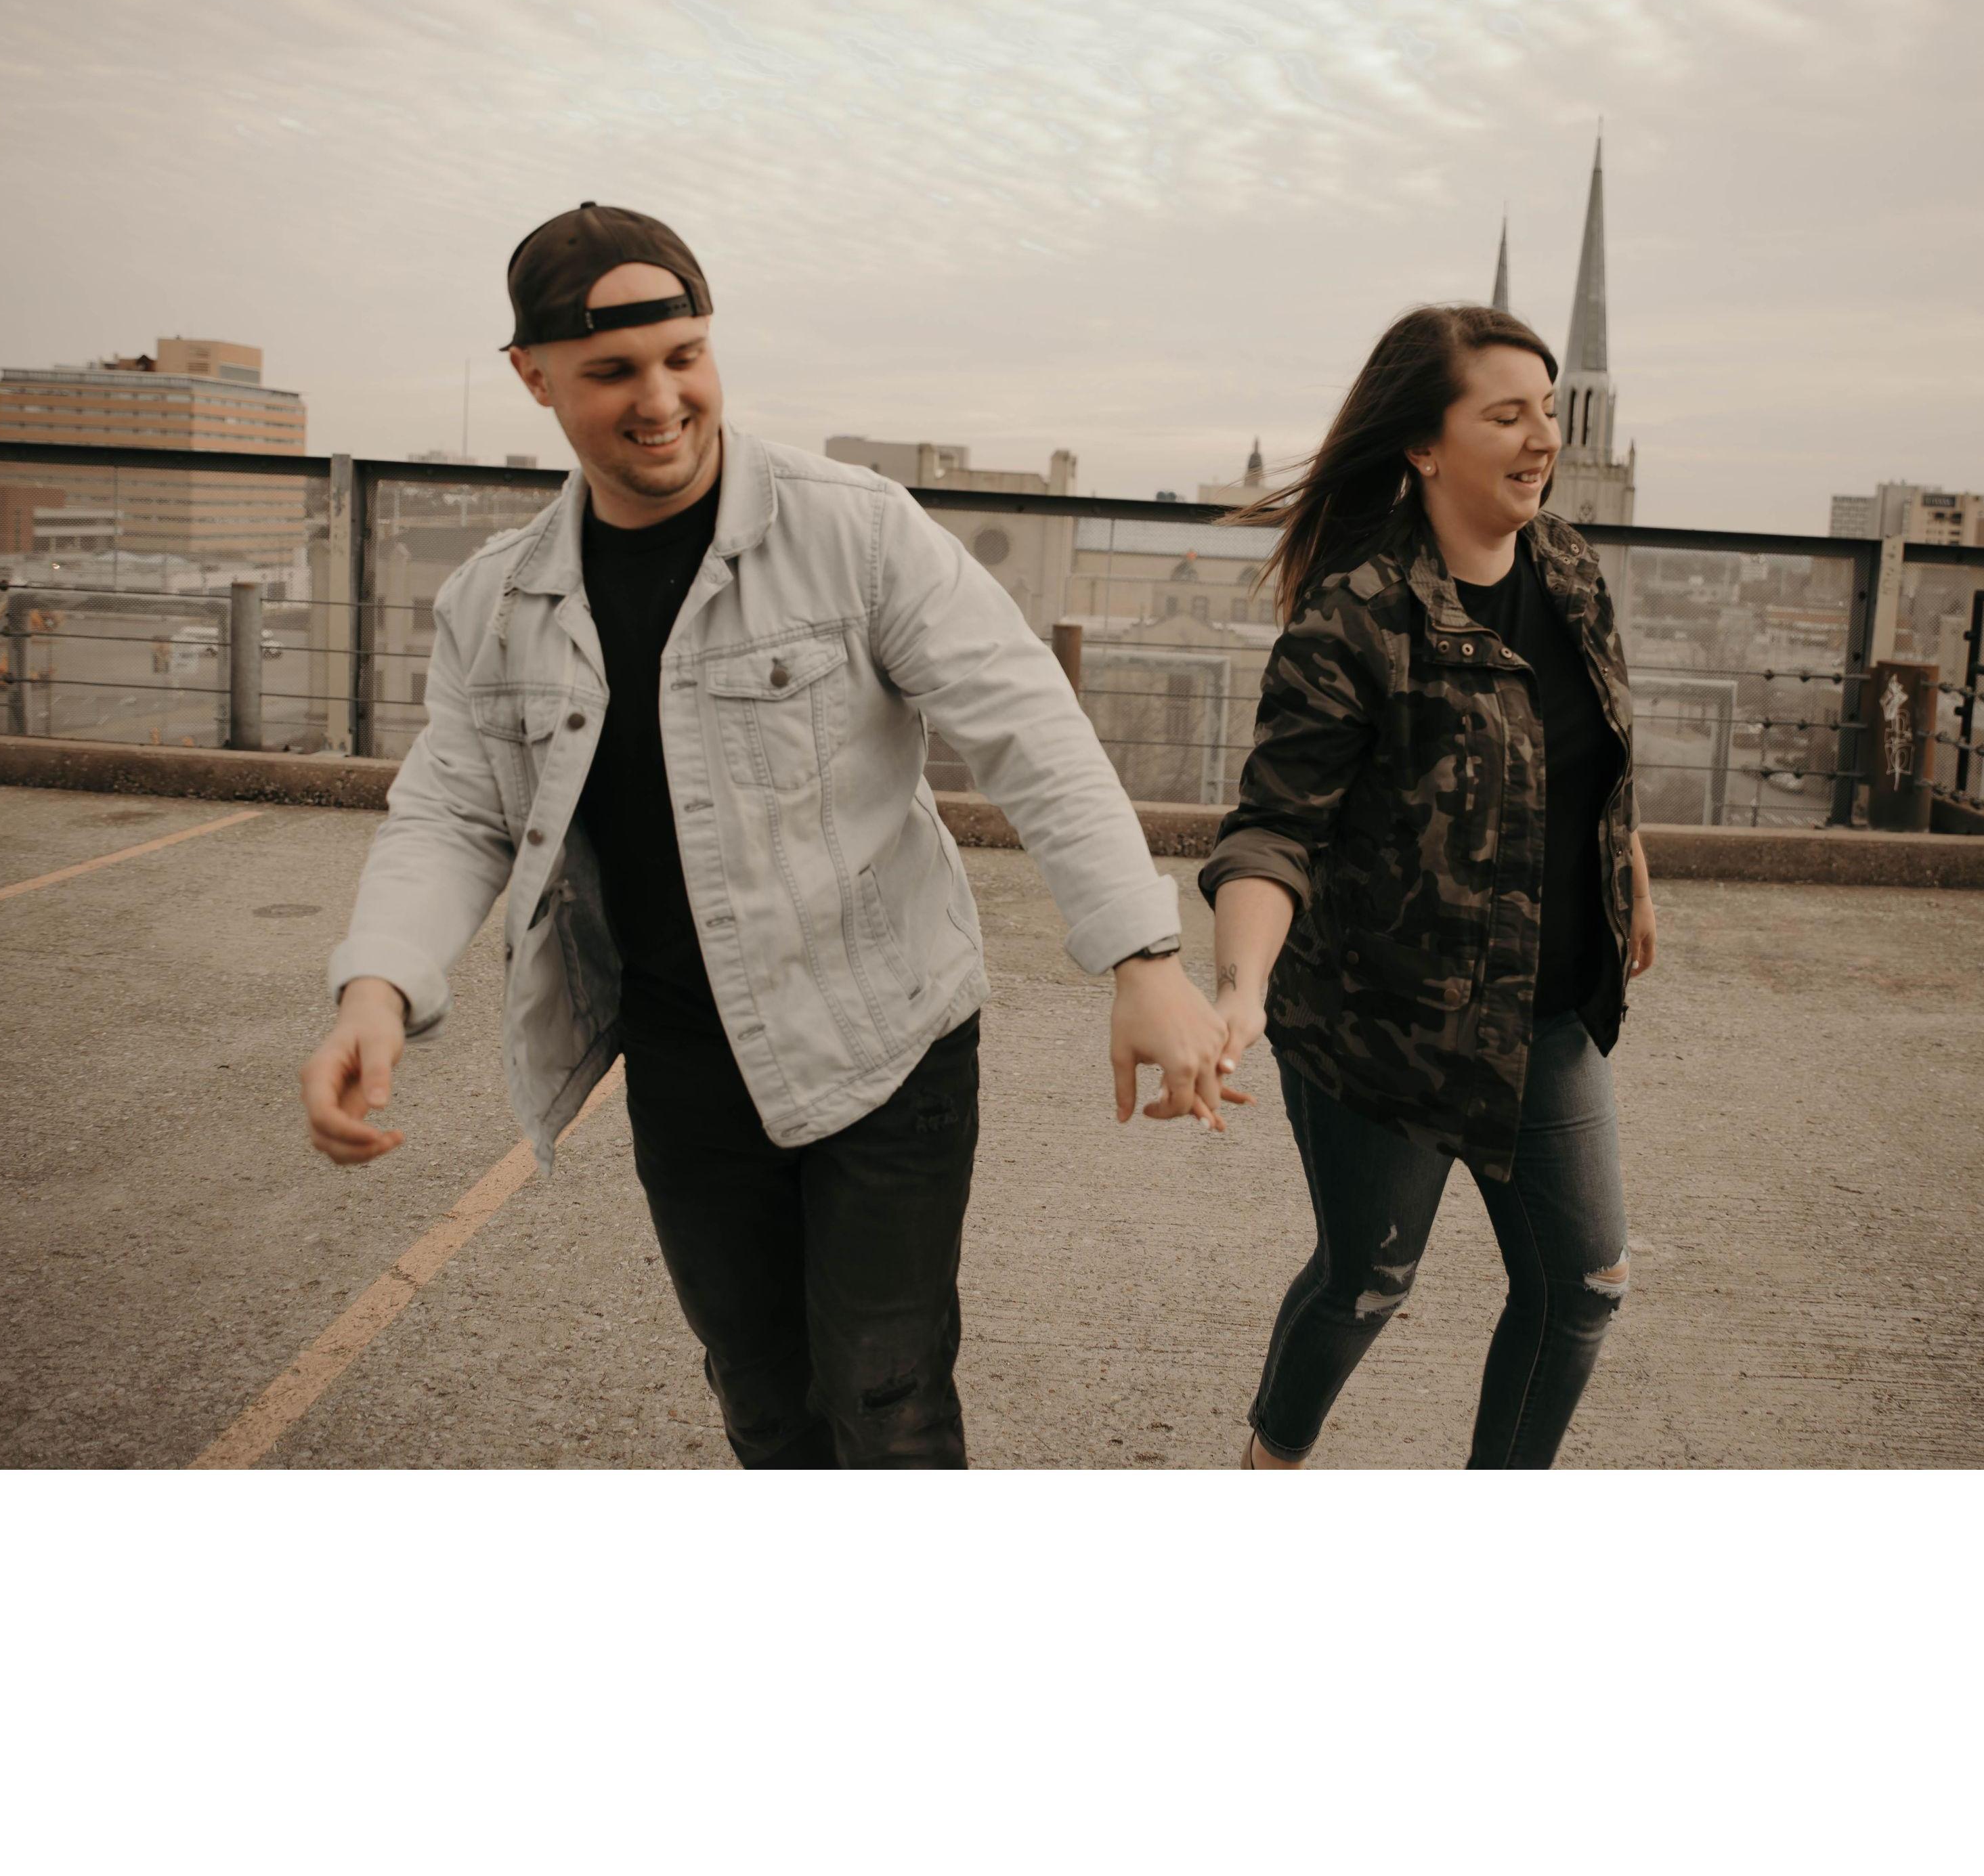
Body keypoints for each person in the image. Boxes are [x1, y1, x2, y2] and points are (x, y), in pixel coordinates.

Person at [300, 202, 1242, 1467]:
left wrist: (1145, 959)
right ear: (533, 377)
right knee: (760, 1399)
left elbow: (1031, 729)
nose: (661, 401)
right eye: (614, 371)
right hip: (686, 1069)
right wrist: (376, 987)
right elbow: (456, 808)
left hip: (884, 1046)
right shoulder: (499, 599)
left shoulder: (854, 529)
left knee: (887, 1400)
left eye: (685, 357)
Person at [1203, 302, 1656, 1469]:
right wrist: (1241, 988)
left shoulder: (1568, 566)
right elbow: (1275, 828)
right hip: (1383, 1035)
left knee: (1585, 1285)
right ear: (1422, 445)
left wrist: (1629, 870)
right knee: (1367, 1281)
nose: (1542, 438)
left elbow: (1588, 746)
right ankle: (1268, 1466)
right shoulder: (1356, 615)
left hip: (1547, 1019)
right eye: (1506, 416)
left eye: (1547, 410)